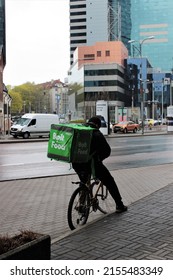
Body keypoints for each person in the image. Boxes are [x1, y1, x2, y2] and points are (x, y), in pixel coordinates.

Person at [72, 116, 127, 213]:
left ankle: (81, 204)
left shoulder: (78, 131)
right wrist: (99, 159)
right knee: (110, 181)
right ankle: (119, 205)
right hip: (92, 165)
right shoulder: (96, 133)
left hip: (76, 163)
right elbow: (107, 151)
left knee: (84, 182)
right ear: (97, 125)